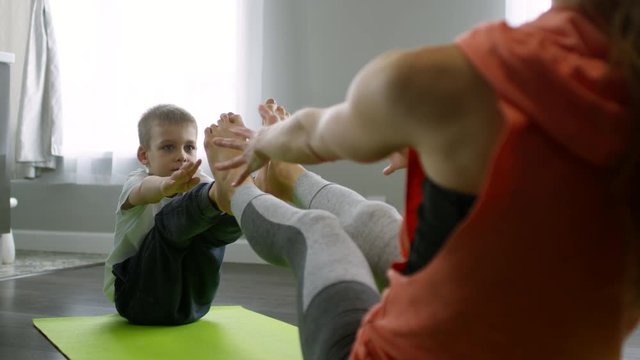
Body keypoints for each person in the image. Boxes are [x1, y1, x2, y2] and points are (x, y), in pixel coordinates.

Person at [210, 0, 640, 358]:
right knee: (382, 218)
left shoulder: (450, 80)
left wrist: (262, 142)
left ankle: (237, 192)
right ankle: (293, 179)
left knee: (319, 230)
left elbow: (310, 134)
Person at [103, 104, 242, 325]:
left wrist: (227, 193)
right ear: (144, 155)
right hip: (137, 294)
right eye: (168, 147)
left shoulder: (201, 182)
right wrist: (166, 187)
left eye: (189, 147)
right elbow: (144, 191)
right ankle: (240, 188)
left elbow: (214, 197)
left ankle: (251, 187)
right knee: (178, 219)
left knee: (217, 219)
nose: (182, 156)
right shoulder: (137, 182)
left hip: (194, 300)